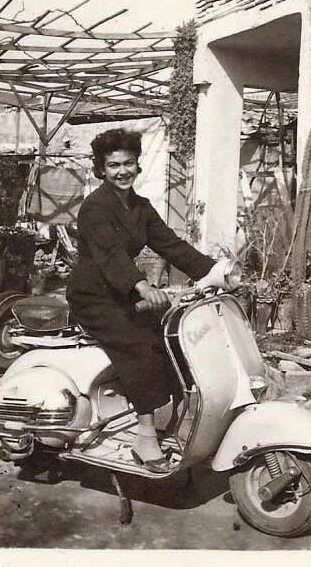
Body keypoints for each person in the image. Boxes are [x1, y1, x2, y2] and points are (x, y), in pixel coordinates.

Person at [66, 128, 215, 473]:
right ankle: (145, 438)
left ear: (137, 165)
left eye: (128, 163)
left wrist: (217, 272)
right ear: (101, 170)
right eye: (113, 165)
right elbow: (110, 255)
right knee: (137, 347)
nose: (122, 171)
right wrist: (143, 286)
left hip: (123, 292)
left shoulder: (141, 207)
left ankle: (178, 419)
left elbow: (171, 245)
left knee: (172, 339)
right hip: (94, 297)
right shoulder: (94, 208)